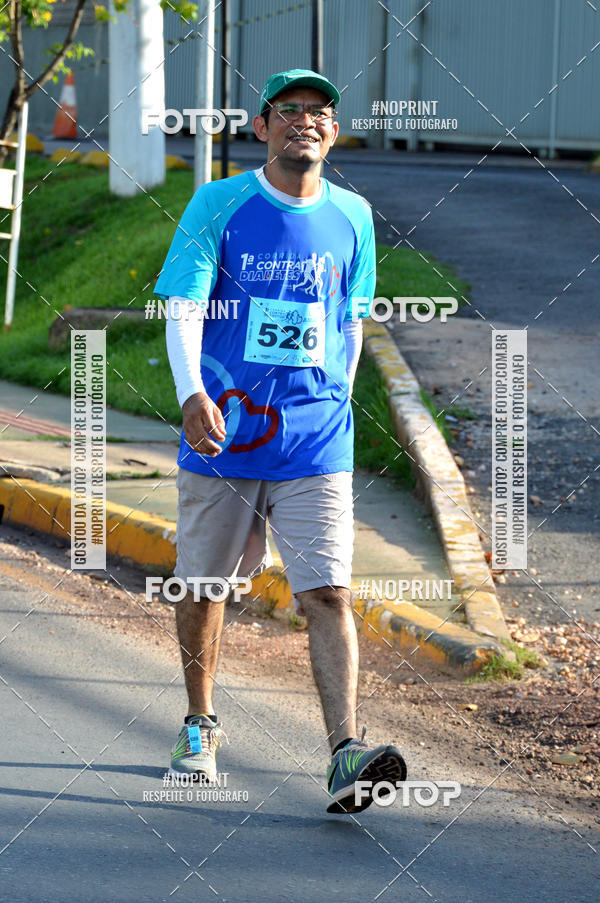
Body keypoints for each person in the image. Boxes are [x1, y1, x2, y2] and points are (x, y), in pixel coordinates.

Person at [154, 69, 406, 814]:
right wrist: (189, 391)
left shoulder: (354, 215)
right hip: (224, 430)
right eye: (289, 111)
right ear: (262, 127)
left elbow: (350, 319)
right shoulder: (219, 203)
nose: (306, 121)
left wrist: (337, 394)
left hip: (315, 439)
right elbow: (183, 306)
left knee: (328, 591)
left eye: (320, 112)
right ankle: (199, 724)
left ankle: (345, 752)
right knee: (204, 585)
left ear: (333, 131)